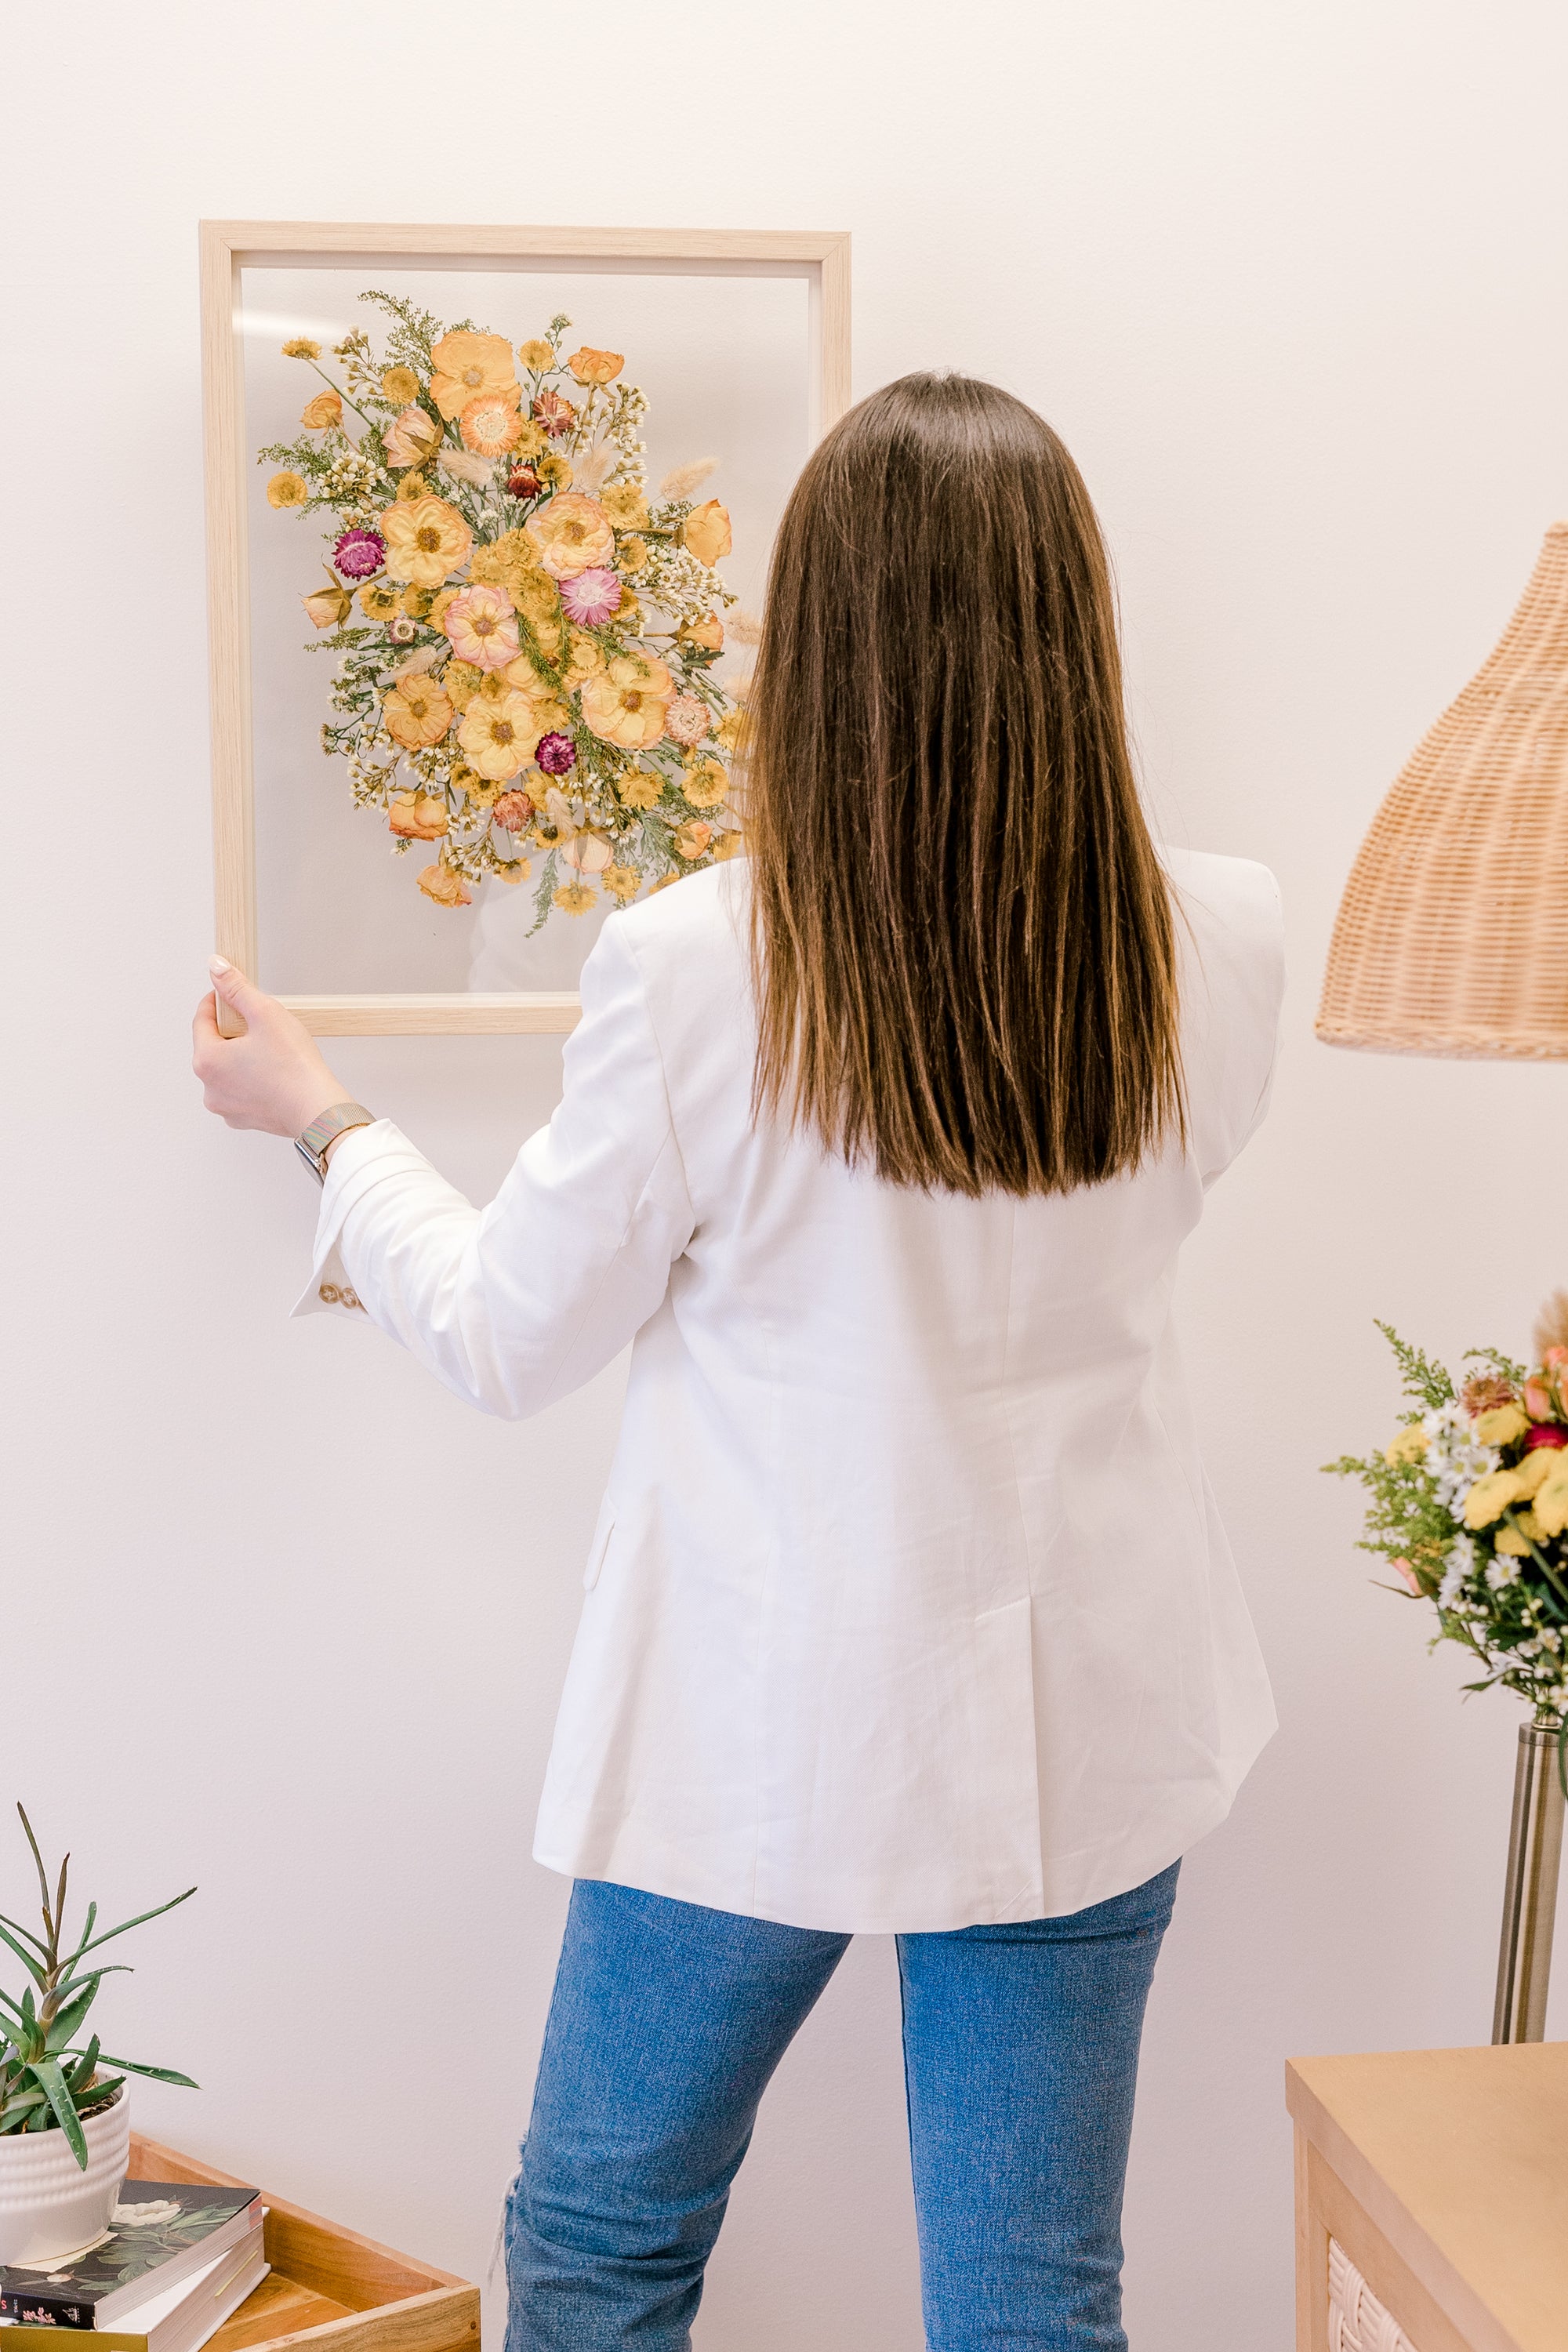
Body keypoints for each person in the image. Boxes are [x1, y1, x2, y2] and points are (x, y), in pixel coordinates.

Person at [194, 372, 1283, 2352]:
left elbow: (507, 1336)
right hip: (1088, 1720)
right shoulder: (1215, 937)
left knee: (604, 2238)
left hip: (763, 1723)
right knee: (1036, 2302)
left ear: (818, 640)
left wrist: (324, 1124)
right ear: (1074, 623)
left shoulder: (704, 964)